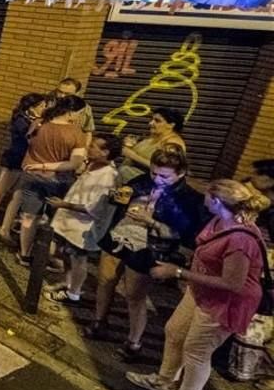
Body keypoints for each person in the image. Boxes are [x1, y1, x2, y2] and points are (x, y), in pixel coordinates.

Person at [126, 180, 271, 390]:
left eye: (207, 196)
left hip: (224, 302)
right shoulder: (219, 220)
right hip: (201, 290)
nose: (203, 199)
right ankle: (164, 382)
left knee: (197, 350)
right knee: (175, 331)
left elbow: (232, 283)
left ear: (216, 201)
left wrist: (179, 272)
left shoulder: (239, 239)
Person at [85, 145, 205, 360]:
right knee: (105, 280)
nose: (157, 179)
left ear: (181, 173)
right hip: (118, 235)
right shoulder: (141, 182)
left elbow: (184, 233)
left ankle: (134, 342)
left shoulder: (188, 198)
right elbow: (116, 200)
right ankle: (99, 321)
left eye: (164, 176)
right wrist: (118, 196)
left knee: (134, 295)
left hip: (148, 248)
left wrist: (151, 221)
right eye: (154, 173)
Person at [43, 134, 122, 304]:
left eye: (94, 146)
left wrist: (65, 205)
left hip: (83, 227)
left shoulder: (108, 176)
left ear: (105, 152)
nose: (89, 148)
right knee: (67, 255)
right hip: (69, 222)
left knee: (78, 259)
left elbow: (95, 207)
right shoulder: (93, 166)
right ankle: (67, 283)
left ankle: (74, 292)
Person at [12, 95, 89, 264]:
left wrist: (39, 164)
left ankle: (25, 253)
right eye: (80, 113)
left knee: (29, 216)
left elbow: (29, 142)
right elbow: (75, 163)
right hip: (59, 180)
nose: (80, 117)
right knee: (56, 218)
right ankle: (48, 257)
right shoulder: (76, 133)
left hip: (32, 176)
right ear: (70, 112)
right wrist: (48, 166)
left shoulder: (38, 123)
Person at [0, 93, 49, 232]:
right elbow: (27, 138)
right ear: (32, 107)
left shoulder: (32, 119)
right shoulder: (21, 120)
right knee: (1, 190)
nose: (45, 108)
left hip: (24, 161)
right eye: (42, 106)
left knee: (17, 194)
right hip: (13, 160)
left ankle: (7, 224)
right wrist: (36, 125)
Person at [119, 107, 187, 182]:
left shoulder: (173, 143)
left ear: (171, 125)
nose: (150, 123)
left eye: (157, 121)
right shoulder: (154, 137)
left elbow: (165, 169)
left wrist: (132, 155)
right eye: (152, 119)